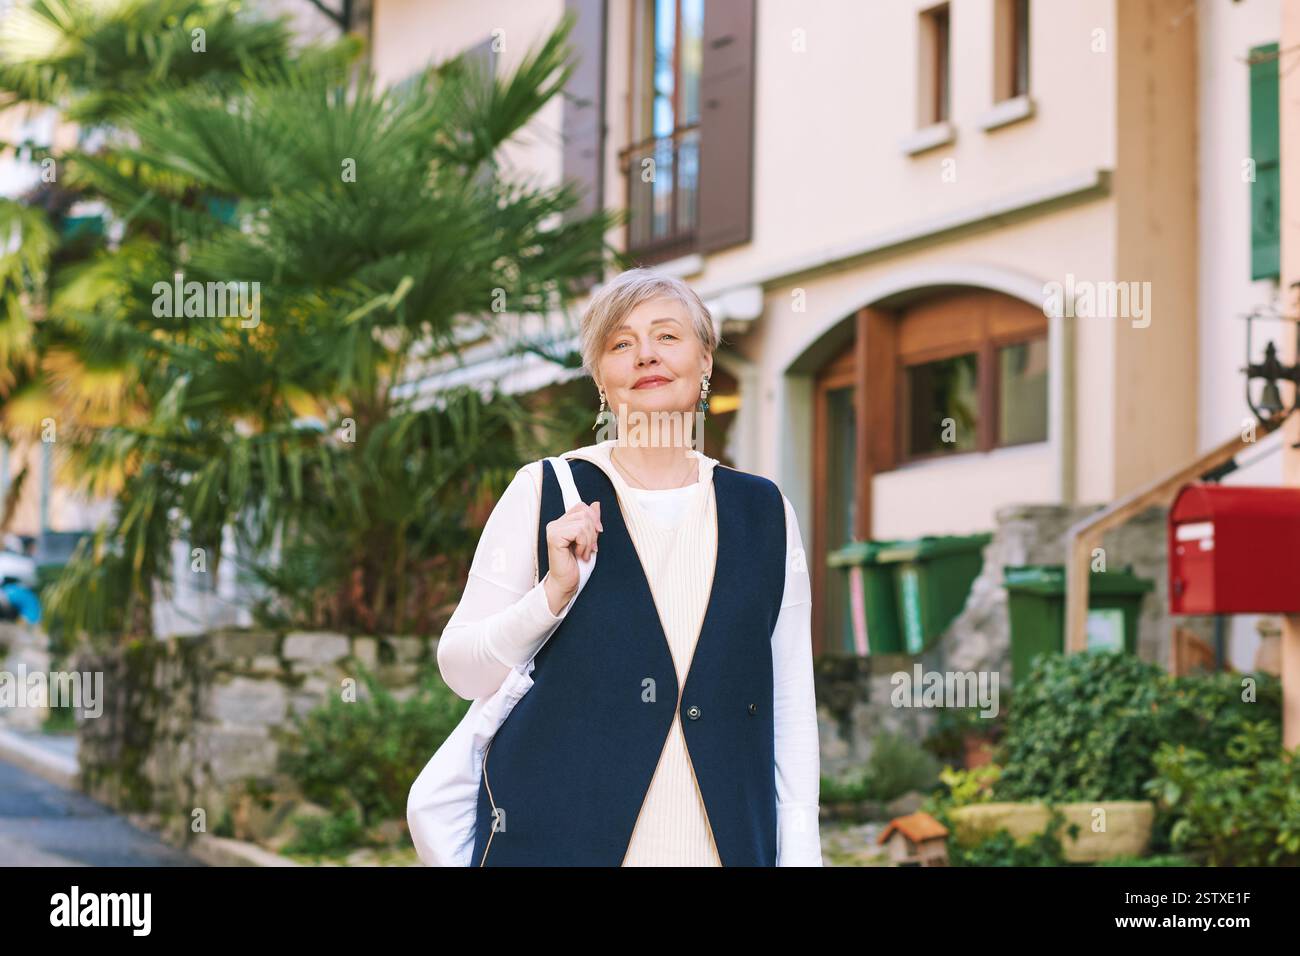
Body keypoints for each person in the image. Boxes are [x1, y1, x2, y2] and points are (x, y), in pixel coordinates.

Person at [437, 267, 822, 866]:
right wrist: (550, 595)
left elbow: (790, 701)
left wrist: (801, 858)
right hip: (555, 845)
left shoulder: (764, 510)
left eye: (667, 336)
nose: (646, 354)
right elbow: (461, 671)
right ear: (600, 377)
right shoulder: (547, 490)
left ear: (706, 361)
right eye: (621, 343)